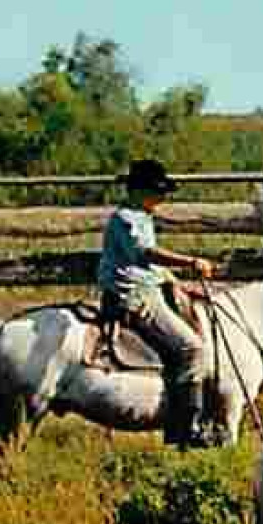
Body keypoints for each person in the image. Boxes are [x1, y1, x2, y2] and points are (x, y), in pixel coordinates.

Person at [96, 158, 219, 449]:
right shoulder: (126, 219)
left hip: (143, 285)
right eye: (158, 191)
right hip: (134, 294)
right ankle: (187, 427)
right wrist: (190, 261)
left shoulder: (142, 216)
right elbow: (145, 253)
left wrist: (175, 280)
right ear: (140, 190)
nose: (163, 198)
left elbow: (149, 264)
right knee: (192, 348)